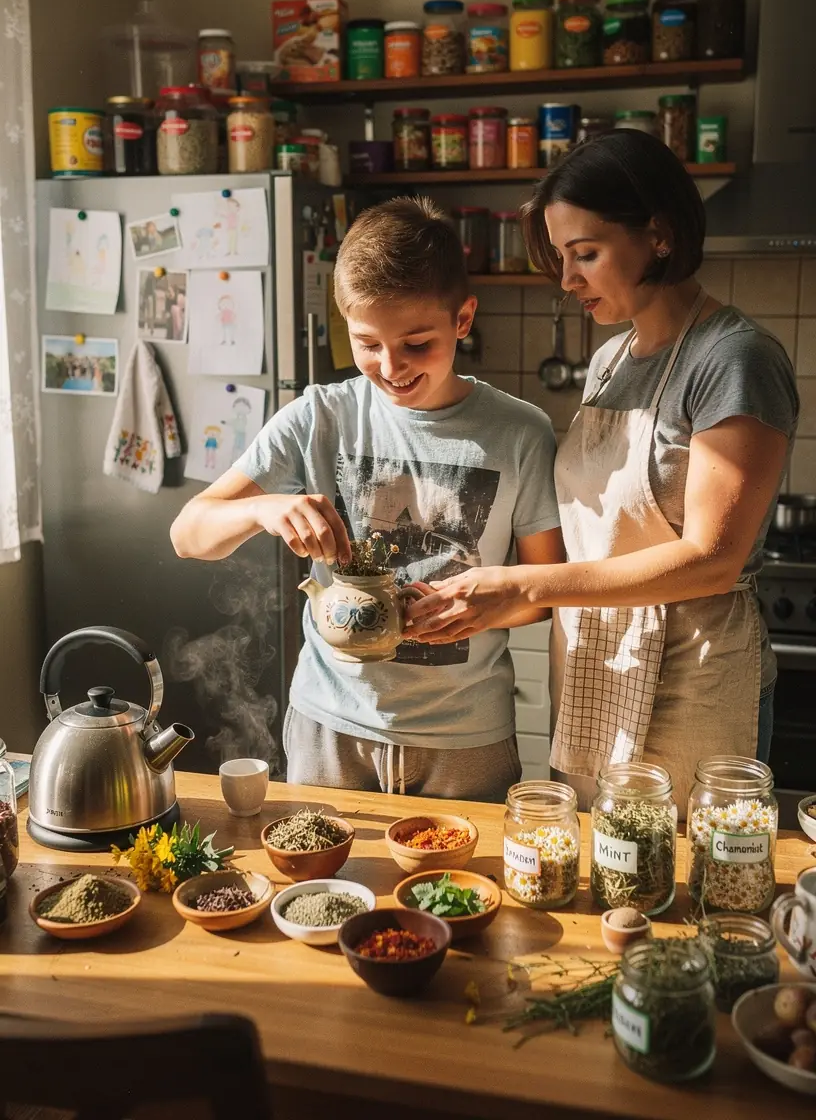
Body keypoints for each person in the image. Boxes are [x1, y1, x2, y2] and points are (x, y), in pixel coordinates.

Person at [406, 132, 799, 811]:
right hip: (597, 667)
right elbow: (598, 540)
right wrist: (501, 601)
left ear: (661, 235)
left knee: (682, 885)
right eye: (561, 258)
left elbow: (713, 560)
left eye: (585, 253)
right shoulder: (611, 359)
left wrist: (527, 583)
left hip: (693, 676)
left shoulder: (733, 360)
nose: (567, 280)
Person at [170, 196, 564, 801]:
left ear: (463, 319)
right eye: (368, 343)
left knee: (464, 894)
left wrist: (485, 608)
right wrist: (262, 509)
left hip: (468, 739)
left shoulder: (520, 432)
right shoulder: (317, 418)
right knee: (323, 891)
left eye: (416, 343)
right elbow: (188, 534)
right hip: (330, 727)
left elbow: (545, 591)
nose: (391, 365)